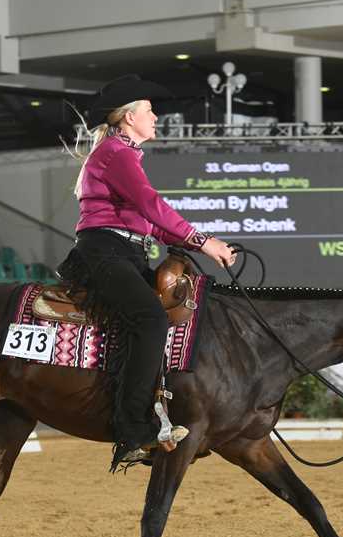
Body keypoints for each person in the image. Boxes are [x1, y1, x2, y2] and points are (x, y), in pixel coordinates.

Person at [57, 75, 236, 471]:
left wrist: (198, 243)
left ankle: (159, 413)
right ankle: (131, 430)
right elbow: (151, 205)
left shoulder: (121, 154)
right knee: (151, 319)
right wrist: (204, 242)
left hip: (124, 251)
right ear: (129, 117)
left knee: (162, 318)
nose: (156, 117)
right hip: (105, 253)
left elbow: (149, 223)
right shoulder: (116, 153)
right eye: (150, 110)